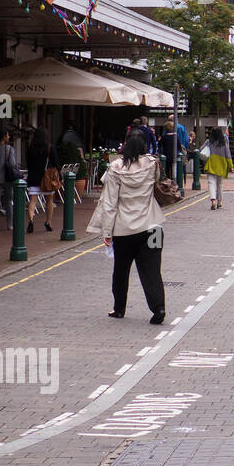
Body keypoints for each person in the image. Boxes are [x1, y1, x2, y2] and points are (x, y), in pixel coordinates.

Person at [87, 131, 166, 325]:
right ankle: (159, 308)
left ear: (125, 147)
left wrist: (107, 232)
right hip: (152, 227)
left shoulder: (115, 169)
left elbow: (110, 203)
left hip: (124, 230)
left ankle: (119, 308)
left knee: (121, 270)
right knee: (152, 270)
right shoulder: (153, 164)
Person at [25, 127, 61, 234]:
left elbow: (28, 163)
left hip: (33, 177)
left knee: (33, 201)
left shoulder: (30, 148)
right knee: (49, 200)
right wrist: (60, 177)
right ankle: (48, 222)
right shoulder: (50, 148)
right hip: (47, 178)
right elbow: (56, 163)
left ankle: (31, 220)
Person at [203, 126, 232, 210]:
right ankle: (219, 202)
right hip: (221, 165)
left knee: (211, 183)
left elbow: (201, 149)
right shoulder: (224, 143)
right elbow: (228, 154)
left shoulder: (209, 142)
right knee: (220, 184)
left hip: (211, 164)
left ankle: (213, 201)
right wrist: (231, 166)